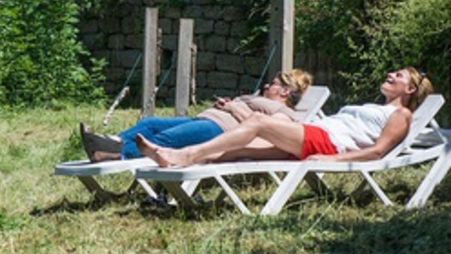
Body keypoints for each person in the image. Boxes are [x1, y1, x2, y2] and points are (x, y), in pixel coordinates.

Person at [138, 67, 434, 168]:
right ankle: (174, 175)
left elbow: (379, 151)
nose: (390, 75)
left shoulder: (401, 114)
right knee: (237, 150)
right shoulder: (377, 107)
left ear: (409, 89)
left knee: (257, 123)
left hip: (326, 144)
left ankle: (185, 156)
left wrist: (333, 161)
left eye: (398, 75)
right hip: (313, 135)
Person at [80, 69, 313, 161]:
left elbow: (267, 131)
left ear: (285, 91)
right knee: (149, 124)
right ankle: (110, 142)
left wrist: (233, 108)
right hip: (204, 119)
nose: (266, 86)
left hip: (219, 129)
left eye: (272, 85)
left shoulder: (283, 112)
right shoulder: (258, 98)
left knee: (165, 140)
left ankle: (116, 156)